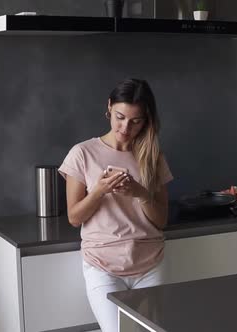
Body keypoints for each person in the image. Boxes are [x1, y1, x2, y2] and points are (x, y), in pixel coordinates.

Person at [59, 78, 173, 332]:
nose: (125, 127)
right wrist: (99, 190)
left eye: (136, 121)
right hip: (103, 265)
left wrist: (139, 192)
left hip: (151, 265)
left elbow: (161, 220)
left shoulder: (153, 156)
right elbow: (74, 217)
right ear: (109, 107)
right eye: (120, 117)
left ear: (146, 120)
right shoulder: (82, 153)